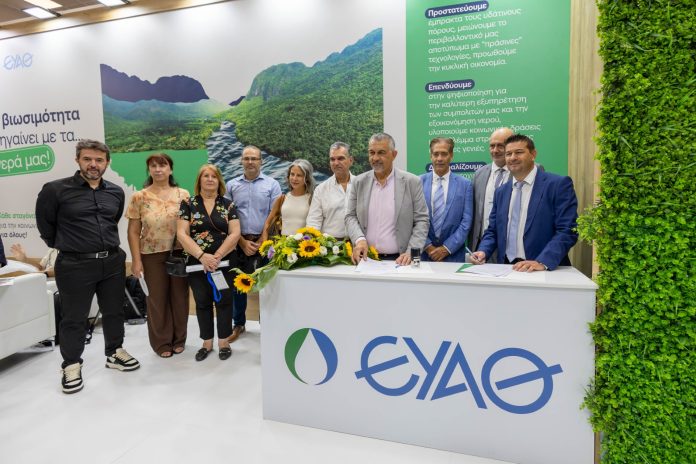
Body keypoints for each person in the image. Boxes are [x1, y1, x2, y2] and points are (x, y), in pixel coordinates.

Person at [36, 139, 140, 394]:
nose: (93, 164)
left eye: (99, 160)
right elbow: (46, 227)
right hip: (74, 264)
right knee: (74, 317)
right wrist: (70, 245)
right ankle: (71, 364)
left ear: (107, 163)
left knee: (114, 311)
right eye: (88, 159)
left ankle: (114, 352)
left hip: (112, 261)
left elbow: (113, 220)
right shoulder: (55, 190)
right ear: (78, 160)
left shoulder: (115, 192)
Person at [472, 134, 578, 272]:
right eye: (508, 154)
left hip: (542, 270)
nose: (513, 157)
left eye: (519, 152)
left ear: (533, 154)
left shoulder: (558, 185)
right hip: (507, 268)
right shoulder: (501, 192)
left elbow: (567, 230)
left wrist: (542, 262)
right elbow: (493, 230)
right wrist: (483, 251)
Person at [125, 153, 190, 358]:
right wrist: (136, 261)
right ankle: (162, 343)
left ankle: (179, 339)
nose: (158, 169)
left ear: (170, 169)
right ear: (149, 170)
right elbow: (133, 232)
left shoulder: (183, 194)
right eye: (153, 166)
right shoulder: (139, 197)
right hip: (150, 254)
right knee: (156, 299)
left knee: (179, 298)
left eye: (162, 165)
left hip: (179, 253)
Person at [178, 164, 241, 361]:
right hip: (197, 263)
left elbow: (235, 233)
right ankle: (206, 342)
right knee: (202, 302)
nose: (210, 179)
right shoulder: (188, 203)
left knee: (225, 301)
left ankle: (224, 341)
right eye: (206, 176)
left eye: (214, 176)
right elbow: (182, 234)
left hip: (224, 262)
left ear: (219, 180)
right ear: (199, 180)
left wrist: (217, 256)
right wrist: (202, 256)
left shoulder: (228, 205)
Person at [224, 146, 281, 342]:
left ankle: (267, 324)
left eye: (254, 158)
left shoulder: (272, 185)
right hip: (239, 242)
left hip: (265, 242)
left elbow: (274, 215)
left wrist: (263, 237)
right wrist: (241, 241)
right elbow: (228, 217)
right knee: (238, 286)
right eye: (246, 158)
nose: (250, 162)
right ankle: (239, 324)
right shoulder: (231, 185)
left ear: (261, 161)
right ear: (241, 161)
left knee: (266, 286)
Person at [345, 133, 429, 265]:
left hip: (400, 261)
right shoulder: (359, 182)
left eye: (381, 153)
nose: (375, 158)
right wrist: (359, 240)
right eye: (371, 153)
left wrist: (411, 252)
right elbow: (350, 216)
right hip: (366, 259)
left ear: (394, 154)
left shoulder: (412, 182)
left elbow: (422, 220)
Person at [419, 137, 473, 262]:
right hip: (424, 256)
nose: (439, 158)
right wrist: (428, 246)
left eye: (444, 154)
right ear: (430, 156)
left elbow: (466, 222)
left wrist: (446, 248)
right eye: (435, 154)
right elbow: (412, 219)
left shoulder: (465, 185)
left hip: (453, 256)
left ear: (451, 155)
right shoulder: (418, 182)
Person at [470, 127, 514, 252]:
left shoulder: (523, 171)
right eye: (492, 146)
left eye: (500, 146)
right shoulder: (479, 174)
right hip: (481, 246)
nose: (495, 150)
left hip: (510, 247)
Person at [306, 142, 355, 239]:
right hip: (330, 245)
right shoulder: (321, 189)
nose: (336, 163)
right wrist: (311, 242)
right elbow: (314, 221)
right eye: (332, 159)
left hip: (358, 243)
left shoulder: (361, 186)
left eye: (340, 158)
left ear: (350, 160)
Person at [261, 159, 316, 243]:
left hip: (304, 245)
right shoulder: (282, 199)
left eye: (299, 175)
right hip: (283, 245)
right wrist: (265, 244)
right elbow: (267, 223)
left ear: (307, 178)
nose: (294, 178)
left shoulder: (312, 199)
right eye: (292, 174)